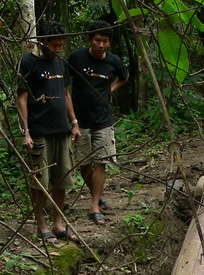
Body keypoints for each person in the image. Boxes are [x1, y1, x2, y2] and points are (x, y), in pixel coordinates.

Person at [16, 20, 81, 243]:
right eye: (54, 45)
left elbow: (66, 94)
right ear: (42, 42)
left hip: (61, 129)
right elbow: (21, 99)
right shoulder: (28, 63)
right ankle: (41, 225)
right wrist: (25, 132)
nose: (58, 49)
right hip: (39, 131)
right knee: (39, 181)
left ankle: (57, 223)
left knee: (62, 178)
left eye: (61, 45)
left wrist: (74, 122)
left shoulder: (60, 63)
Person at [68, 20, 129, 225]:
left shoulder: (113, 61)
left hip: (103, 120)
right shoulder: (76, 57)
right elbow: (65, 84)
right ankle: (97, 195)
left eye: (105, 41)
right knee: (84, 164)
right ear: (89, 40)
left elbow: (124, 76)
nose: (101, 45)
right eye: (97, 40)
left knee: (101, 162)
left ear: (109, 42)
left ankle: (94, 205)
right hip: (80, 120)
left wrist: (110, 89)